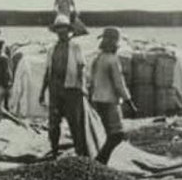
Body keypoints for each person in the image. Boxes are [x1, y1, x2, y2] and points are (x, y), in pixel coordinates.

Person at [39, 14, 88, 157]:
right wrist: (42, 92)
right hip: (55, 91)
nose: (61, 32)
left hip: (72, 90)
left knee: (75, 124)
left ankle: (81, 154)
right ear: (56, 31)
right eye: (59, 29)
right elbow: (48, 71)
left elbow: (81, 67)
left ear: (68, 30)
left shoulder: (75, 47)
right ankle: (54, 151)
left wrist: (81, 87)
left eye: (64, 29)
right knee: (53, 124)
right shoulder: (51, 49)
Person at [88, 27, 137, 165]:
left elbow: (90, 81)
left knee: (111, 133)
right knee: (117, 135)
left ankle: (101, 163)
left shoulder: (98, 58)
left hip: (98, 99)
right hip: (109, 101)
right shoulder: (112, 59)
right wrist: (130, 103)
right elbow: (119, 84)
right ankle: (99, 162)